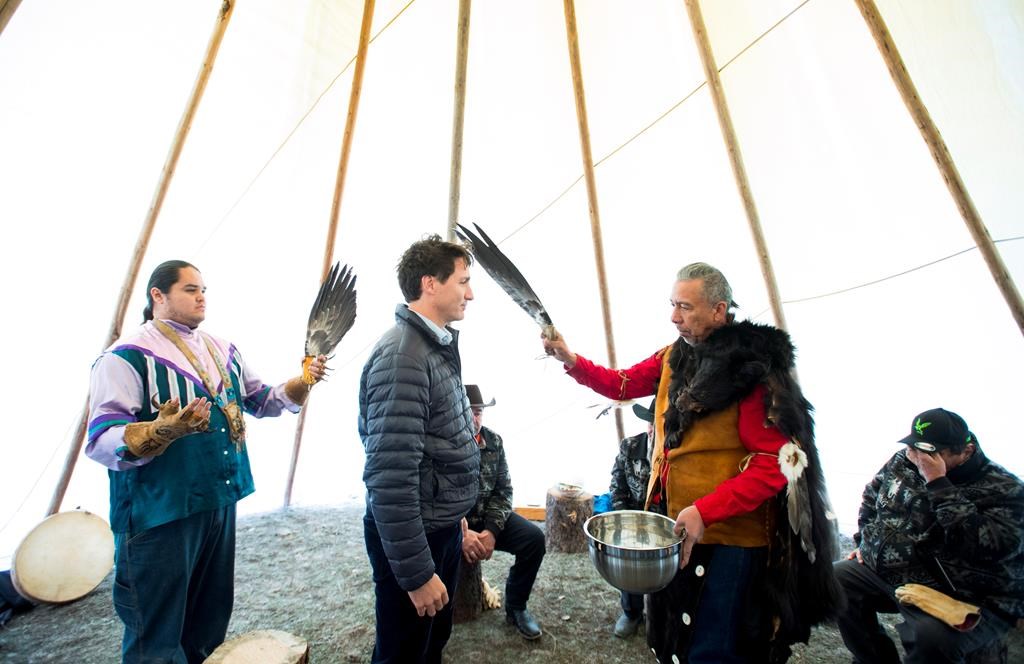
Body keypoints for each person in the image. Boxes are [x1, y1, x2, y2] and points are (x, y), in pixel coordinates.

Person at [541, 262, 841, 662]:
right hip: (677, 527)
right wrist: (571, 358)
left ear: (719, 310)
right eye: (672, 304)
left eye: (685, 307)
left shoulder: (751, 371)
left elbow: (776, 463)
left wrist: (706, 510)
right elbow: (623, 383)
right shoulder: (675, 357)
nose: (674, 316)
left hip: (729, 539)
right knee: (675, 641)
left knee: (712, 646)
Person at [86, 259, 326, 663]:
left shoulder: (221, 349)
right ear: (157, 296)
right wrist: (161, 430)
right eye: (189, 289)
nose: (201, 297)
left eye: (203, 289)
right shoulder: (126, 357)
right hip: (159, 514)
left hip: (218, 502)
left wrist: (301, 382)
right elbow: (101, 438)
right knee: (156, 635)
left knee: (208, 621)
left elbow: (260, 400)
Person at [359, 235, 480, 664]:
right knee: (403, 652)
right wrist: (414, 574)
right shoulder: (403, 357)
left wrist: (454, 512)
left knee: (430, 643)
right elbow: (390, 478)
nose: (470, 292)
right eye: (463, 281)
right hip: (413, 537)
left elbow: (439, 444)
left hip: (436, 524)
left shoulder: (434, 346)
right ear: (431, 283)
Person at [834, 407, 1024, 663]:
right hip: (893, 573)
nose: (918, 456)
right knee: (833, 581)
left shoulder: (1004, 489)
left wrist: (938, 483)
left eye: (931, 452)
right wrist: (864, 543)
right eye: (914, 447)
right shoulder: (904, 459)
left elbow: (986, 549)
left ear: (965, 451)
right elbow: (873, 496)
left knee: (931, 638)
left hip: (958, 592)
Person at [460, 384, 546, 640]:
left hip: (487, 519)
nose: (474, 418)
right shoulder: (443, 443)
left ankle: (516, 607)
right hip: (453, 525)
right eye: (468, 412)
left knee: (534, 540)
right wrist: (461, 533)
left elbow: (504, 490)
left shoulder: (494, 441)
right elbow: (436, 499)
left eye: (478, 412)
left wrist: (491, 531)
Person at [608, 399, 655, 639]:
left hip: (664, 520)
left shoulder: (678, 452)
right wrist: (624, 518)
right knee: (630, 559)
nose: (653, 427)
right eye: (650, 421)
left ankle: (660, 614)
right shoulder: (630, 446)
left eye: (659, 422)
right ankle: (632, 611)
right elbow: (617, 484)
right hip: (631, 516)